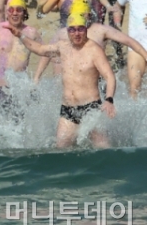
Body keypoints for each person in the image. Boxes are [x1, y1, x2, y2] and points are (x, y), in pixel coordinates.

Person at [16, 13, 116, 148]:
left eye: (80, 29)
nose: (76, 33)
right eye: (72, 30)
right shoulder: (62, 47)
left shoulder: (94, 50)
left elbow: (109, 76)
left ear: (86, 29)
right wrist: (20, 35)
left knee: (103, 148)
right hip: (68, 110)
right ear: (68, 31)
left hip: (91, 109)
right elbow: (39, 49)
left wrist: (109, 99)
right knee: (61, 148)